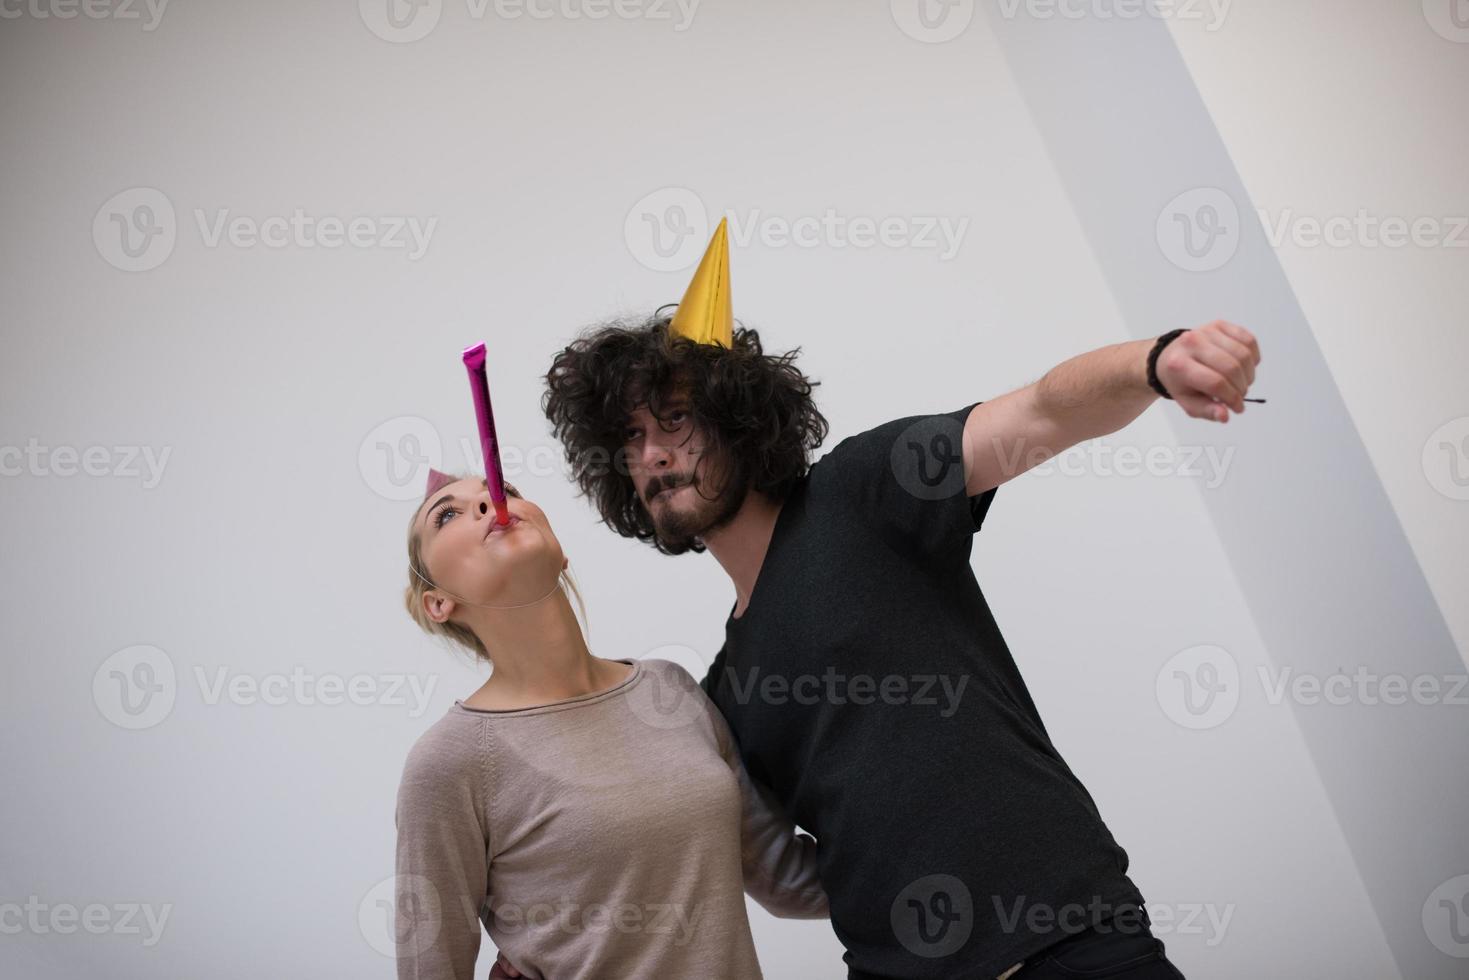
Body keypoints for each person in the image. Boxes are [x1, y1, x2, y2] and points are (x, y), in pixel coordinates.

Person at [537, 220, 1261, 977]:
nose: (651, 453)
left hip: (1071, 945)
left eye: (675, 420)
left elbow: (1043, 411)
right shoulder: (721, 694)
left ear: (736, 415)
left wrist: (1156, 360)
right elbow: (755, 871)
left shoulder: (861, 490)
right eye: (630, 437)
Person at [394, 468, 828, 980]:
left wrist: (931, 856)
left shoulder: (670, 692)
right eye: (447, 515)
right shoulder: (449, 762)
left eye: (503, 492)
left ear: (560, 551)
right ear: (438, 603)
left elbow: (791, 881)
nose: (491, 504)